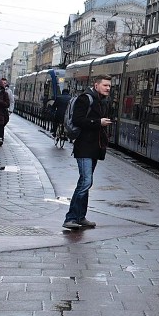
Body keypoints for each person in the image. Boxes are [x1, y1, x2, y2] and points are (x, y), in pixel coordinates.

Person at [63, 74, 112, 230]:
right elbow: (78, 120)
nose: (108, 88)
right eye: (105, 85)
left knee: (85, 182)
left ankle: (80, 216)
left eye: (109, 86)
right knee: (85, 182)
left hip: (95, 147)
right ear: (96, 85)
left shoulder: (102, 101)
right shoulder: (85, 99)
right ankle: (70, 218)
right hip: (84, 146)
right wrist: (99, 122)